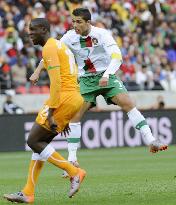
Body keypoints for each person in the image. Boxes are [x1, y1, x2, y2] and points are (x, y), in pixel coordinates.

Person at [30, 8, 168, 176]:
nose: (75, 25)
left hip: (105, 75)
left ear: (88, 22)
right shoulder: (68, 37)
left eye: (79, 22)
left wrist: (108, 74)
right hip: (85, 79)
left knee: (127, 103)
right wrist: (37, 71)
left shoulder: (102, 34)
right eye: (73, 21)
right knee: (75, 115)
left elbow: (117, 56)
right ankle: (72, 159)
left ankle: (150, 140)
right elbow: (52, 53)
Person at [4, 18, 86, 204]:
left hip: (63, 97)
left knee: (33, 140)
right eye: (29, 29)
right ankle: (28, 192)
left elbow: (56, 82)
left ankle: (75, 172)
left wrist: (52, 112)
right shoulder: (58, 45)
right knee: (40, 144)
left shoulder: (49, 47)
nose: (29, 33)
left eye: (33, 29)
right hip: (72, 97)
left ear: (43, 29)